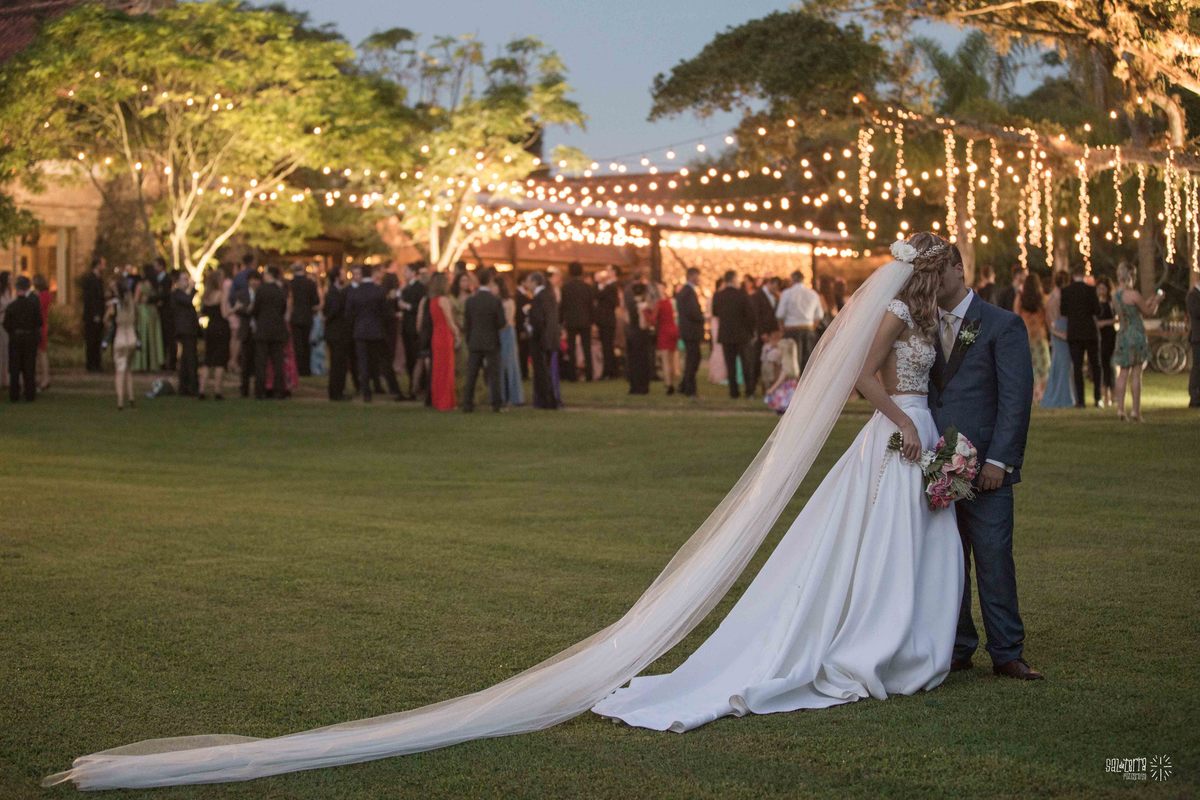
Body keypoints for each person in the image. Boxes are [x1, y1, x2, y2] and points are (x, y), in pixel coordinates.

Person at [45, 234, 1044, 790]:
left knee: (912, 553)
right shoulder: (890, 320)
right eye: (946, 267)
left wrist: (939, 437)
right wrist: (906, 427)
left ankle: (928, 648)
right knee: (866, 558)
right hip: (896, 442)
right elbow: (864, 380)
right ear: (928, 271)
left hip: (925, 447)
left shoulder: (935, 319)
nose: (949, 279)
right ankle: (878, 648)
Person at [926, 234, 1039, 681]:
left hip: (987, 468)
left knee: (994, 558)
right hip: (937, 467)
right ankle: (957, 646)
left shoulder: (1001, 324)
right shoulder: (920, 326)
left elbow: (1015, 399)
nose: (932, 280)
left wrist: (999, 461)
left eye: (938, 271)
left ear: (959, 270)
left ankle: (1007, 651)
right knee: (947, 560)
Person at [1112, 262, 1160, 422]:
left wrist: (1149, 301)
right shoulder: (1133, 294)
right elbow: (1148, 312)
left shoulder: (1115, 296)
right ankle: (1135, 411)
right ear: (1131, 276)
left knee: (1123, 373)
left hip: (1123, 334)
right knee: (1136, 373)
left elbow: (1132, 310)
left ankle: (1120, 410)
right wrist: (1157, 301)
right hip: (1136, 334)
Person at [461, 267, 506, 412]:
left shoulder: (471, 301)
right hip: (491, 341)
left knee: (472, 374)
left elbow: (467, 323)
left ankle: (467, 403)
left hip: (475, 340)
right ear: (490, 281)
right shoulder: (495, 301)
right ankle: (496, 404)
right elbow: (501, 322)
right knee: (494, 374)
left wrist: (469, 338)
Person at [1059, 265, 1101, 408]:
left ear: (1072, 275)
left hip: (1074, 332)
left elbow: (1063, 311)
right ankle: (1097, 398)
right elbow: (1097, 310)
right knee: (1095, 365)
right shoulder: (1091, 290)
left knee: (1077, 367)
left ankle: (1081, 400)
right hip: (1089, 332)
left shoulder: (1066, 291)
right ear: (1084, 275)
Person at [712, 270, 754, 398]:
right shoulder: (742, 294)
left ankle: (733, 391)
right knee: (746, 364)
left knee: (730, 365)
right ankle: (749, 391)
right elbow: (750, 315)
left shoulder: (718, 295)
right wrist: (751, 331)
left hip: (726, 335)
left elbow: (715, 312)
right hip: (742, 335)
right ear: (734, 279)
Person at [775, 269, 824, 374]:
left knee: (791, 362)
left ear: (792, 279)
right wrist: (812, 327)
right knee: (807, 363)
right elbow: (819, 315)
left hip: (791, 330)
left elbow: (780, 314)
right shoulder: (813, 294)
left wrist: (782, 329)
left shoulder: (787, 293)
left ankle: (794, 382)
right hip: (808, 329)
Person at [251, 266, 289, 400]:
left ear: (269, 275)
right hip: (277, 329)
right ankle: (279, 390)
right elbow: (283, 308)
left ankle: (260, 391)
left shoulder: (261, 290)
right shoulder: (280, 290)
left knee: (261, 362)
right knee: (278, 362)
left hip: (263, 329)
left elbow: (255, 309)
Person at [1040, 270, 1075, 408]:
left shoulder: (1051, 297)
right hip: (1061, 331)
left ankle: (1063, 395)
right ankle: (1063, 397)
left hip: (1058, 332)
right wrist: (1060, 334)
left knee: (1059, 365)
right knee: (1063, 366)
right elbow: (1051, 321)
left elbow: (1049, 320)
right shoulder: (1058, 297)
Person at [4, 275, 40, 402]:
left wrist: (13, 332)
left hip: (16, 338)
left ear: (17, 288)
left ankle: (14, 394)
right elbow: (39, 322)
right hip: (29, 338)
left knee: (15, 367)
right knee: (29, 366)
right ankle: (30, 393)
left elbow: (6, 324)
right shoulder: (33, 306)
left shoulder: (12, 307)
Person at [526, 271, 559, 409]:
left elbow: (539, 320)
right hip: (549, 338)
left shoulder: (539, 297)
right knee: (545, 371)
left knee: (541, 371)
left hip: (540, 339)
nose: (527, 284)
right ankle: (547, 399)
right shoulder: (548, 295)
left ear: (535, 282)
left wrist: (530, 326)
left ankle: (546, 401)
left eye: (528, 281)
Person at [1017, 273, 1051, 404]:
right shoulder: (1043, 299)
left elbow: (1015, 318)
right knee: (1043, 367)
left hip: (1026, 337)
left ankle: (1032, 395)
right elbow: (1047, 319)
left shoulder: (1020, 299)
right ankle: (1041, 394)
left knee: (1030, 367)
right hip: (1040, 337)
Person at [428, 272, 459, 411]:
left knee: (438, 368)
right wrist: (457, 333)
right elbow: (449, 320)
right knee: (447, 369)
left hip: (436, 335)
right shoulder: (444, 300)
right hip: (445, 335)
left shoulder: (432, 301)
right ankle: (446, 401)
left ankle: (438, 399)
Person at [559, 261, 595, 382]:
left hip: (571, 321)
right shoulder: (587, 287)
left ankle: (572, 375)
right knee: (587, 348)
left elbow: (563, 306)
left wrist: (561, 321)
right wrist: (592, 320)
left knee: (572, 348)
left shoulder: (565, 287)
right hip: (585, 320)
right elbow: (591, 306)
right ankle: (589, 374)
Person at [198, 267, 231, 401]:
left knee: (208, 359)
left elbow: (202, 313)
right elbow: (224, 313)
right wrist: (235, 308)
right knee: (220, 360)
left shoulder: (206, 296)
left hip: (210, 327)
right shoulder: (221, 294)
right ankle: (218, 390)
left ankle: (202, 389)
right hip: (221, 327)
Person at [107, 276, 138, 410]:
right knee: (128, 368)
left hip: (120, 337)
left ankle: (120, 400)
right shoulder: (131, 302)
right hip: (131, 337)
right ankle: (131, 397)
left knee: (119, 371)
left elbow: (107, 319)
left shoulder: (114, 304)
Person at [322, 268, 354, 401]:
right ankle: (336, 392)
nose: (345, 276)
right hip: (337, 333)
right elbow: (332, 311)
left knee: (338, 363)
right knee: (338, 364)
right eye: (342, 274)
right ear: (337, 277)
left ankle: (337, 390)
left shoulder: (333, 291)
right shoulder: (335, 293)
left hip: (335, 332)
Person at [398, 261, 427, 398]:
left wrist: (407, 306)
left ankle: (417, 385)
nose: (404, 274)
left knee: (416, 357)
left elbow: (420, 307)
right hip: (406, 326)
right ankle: (413, 384)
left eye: (406, 271)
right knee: (409, 357)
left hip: (414, 328)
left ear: (413, 273)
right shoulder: (405, 287)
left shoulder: (419, 288)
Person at [675, 268, 705, 397]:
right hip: (691, 331)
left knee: (692, 358)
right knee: (693, 359)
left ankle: (684, 385)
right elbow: (693, 312)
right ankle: (690, 388)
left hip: (688, 330)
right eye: (697, 276)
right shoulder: (688, 292)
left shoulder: (685, 292)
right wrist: (702, 317)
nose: (699, 279)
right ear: (691, 276)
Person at [171, 272, 200, 397]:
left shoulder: (181, 295)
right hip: (185, 330)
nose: (186, 282)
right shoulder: (177, 294)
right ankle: (192, 386)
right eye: (184, 279)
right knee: (190, 357)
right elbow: (188, 300)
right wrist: (192, 289)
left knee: (186, 358)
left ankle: (184, 386)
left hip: (189, 329)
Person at [497, 276, 524, 406]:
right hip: (502, 332)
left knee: (509, 364)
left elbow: (508, 321)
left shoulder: (508, 302)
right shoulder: (501, 301)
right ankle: (502, 394)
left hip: (506, 333)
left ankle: (512, 395)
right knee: (500, 365)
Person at [288, 264, 319, 377]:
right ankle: (306, 369)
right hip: (307, 316)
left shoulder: (290, 284)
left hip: (294, 316)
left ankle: (297, 368)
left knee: (297, 344)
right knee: (306, 343)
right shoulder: (310, 283)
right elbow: (315, 301)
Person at [132, 264, 164, 372]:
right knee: (153, 337)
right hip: (153, 312)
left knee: (143, 335)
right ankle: (153, 362)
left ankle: (142, 363)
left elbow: (136, 300)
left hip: (143, 311)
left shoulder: (141, 285)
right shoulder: (155, 285)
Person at [232, 271, 259, 398]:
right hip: (246, 331)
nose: (254, 282)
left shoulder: (261, 293)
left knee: (258, 361)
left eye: (256, 279)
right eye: (252, 279)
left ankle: (258, 387)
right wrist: (248, 309)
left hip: (258, 331)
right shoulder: (241, 294)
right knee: (245, 361)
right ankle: (244, 388)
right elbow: (238, 309)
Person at [762, 328, 799, 414]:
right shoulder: (794, 366)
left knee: (778, 395)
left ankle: (781, 407)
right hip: (793, 389)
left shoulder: (785, 367)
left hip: (786, 390)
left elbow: (780, 380)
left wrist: (771, 389)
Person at [81, 256, 106, 372]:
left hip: (99, 313)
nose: (104, 266)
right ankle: (91, 364)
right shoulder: (90, 279)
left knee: (97, 339)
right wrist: (95, 313)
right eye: (103, 264)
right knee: (91, 339)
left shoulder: (99, 279)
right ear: (97, 265)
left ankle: (97, 363)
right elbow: (90, 299)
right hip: (92, 315)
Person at [654, 281, 679, 395]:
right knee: (671, 358)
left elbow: (653, 319)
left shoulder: (658, 303)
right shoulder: (671, 301)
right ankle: (672, 381)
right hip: (673, 329)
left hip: (664, 331)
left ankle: (669, 384)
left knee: (665, 360)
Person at [1095, 277, 1117, 408]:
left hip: (1109, 335)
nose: (1101, 291)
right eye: (1099, 288)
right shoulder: (1095, 303)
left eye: (1103, 288)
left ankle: (1113, 394)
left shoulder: (1111, 303)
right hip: (1098, 336)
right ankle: (1104, 394)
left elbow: (1116, 319)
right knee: (1101, 365)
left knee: (1109, 365)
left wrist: (1104, 323)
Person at [595, 268, 620, 379]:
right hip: (607, 320)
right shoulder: (609, 287)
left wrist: (601, 285)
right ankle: (610, 370)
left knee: (607, 346)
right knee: (607, 346)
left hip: (607, 321)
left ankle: (609, 371)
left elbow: (599, 296)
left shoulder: (611, 287)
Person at [155, 257, 176, 371]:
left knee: (169, 338)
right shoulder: (157, 278)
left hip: (167, 312)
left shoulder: (167, 279)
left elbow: (165, 294)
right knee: (162, 338)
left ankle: (171, 363)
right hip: (161, 312)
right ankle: (162, 362)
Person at [33, 273, 52, 391]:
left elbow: (38, 309)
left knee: (41, 353)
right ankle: (42, 377)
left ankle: (45, 379)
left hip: (40, 326)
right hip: (43, 324)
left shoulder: (41, 296)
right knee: (40, 353)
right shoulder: (46, 295)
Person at [1189, 280, 1200, 409]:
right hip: (1198, 338)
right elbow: (1196, 312)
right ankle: (1194, 396)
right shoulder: (1193, 296)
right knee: (1197, 368)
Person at [0, 271, 11, 390]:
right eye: (9, 278)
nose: (10, 280)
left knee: (6, 352)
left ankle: (5, 379)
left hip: (7, 325)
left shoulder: (8, 291)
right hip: (1, 323)